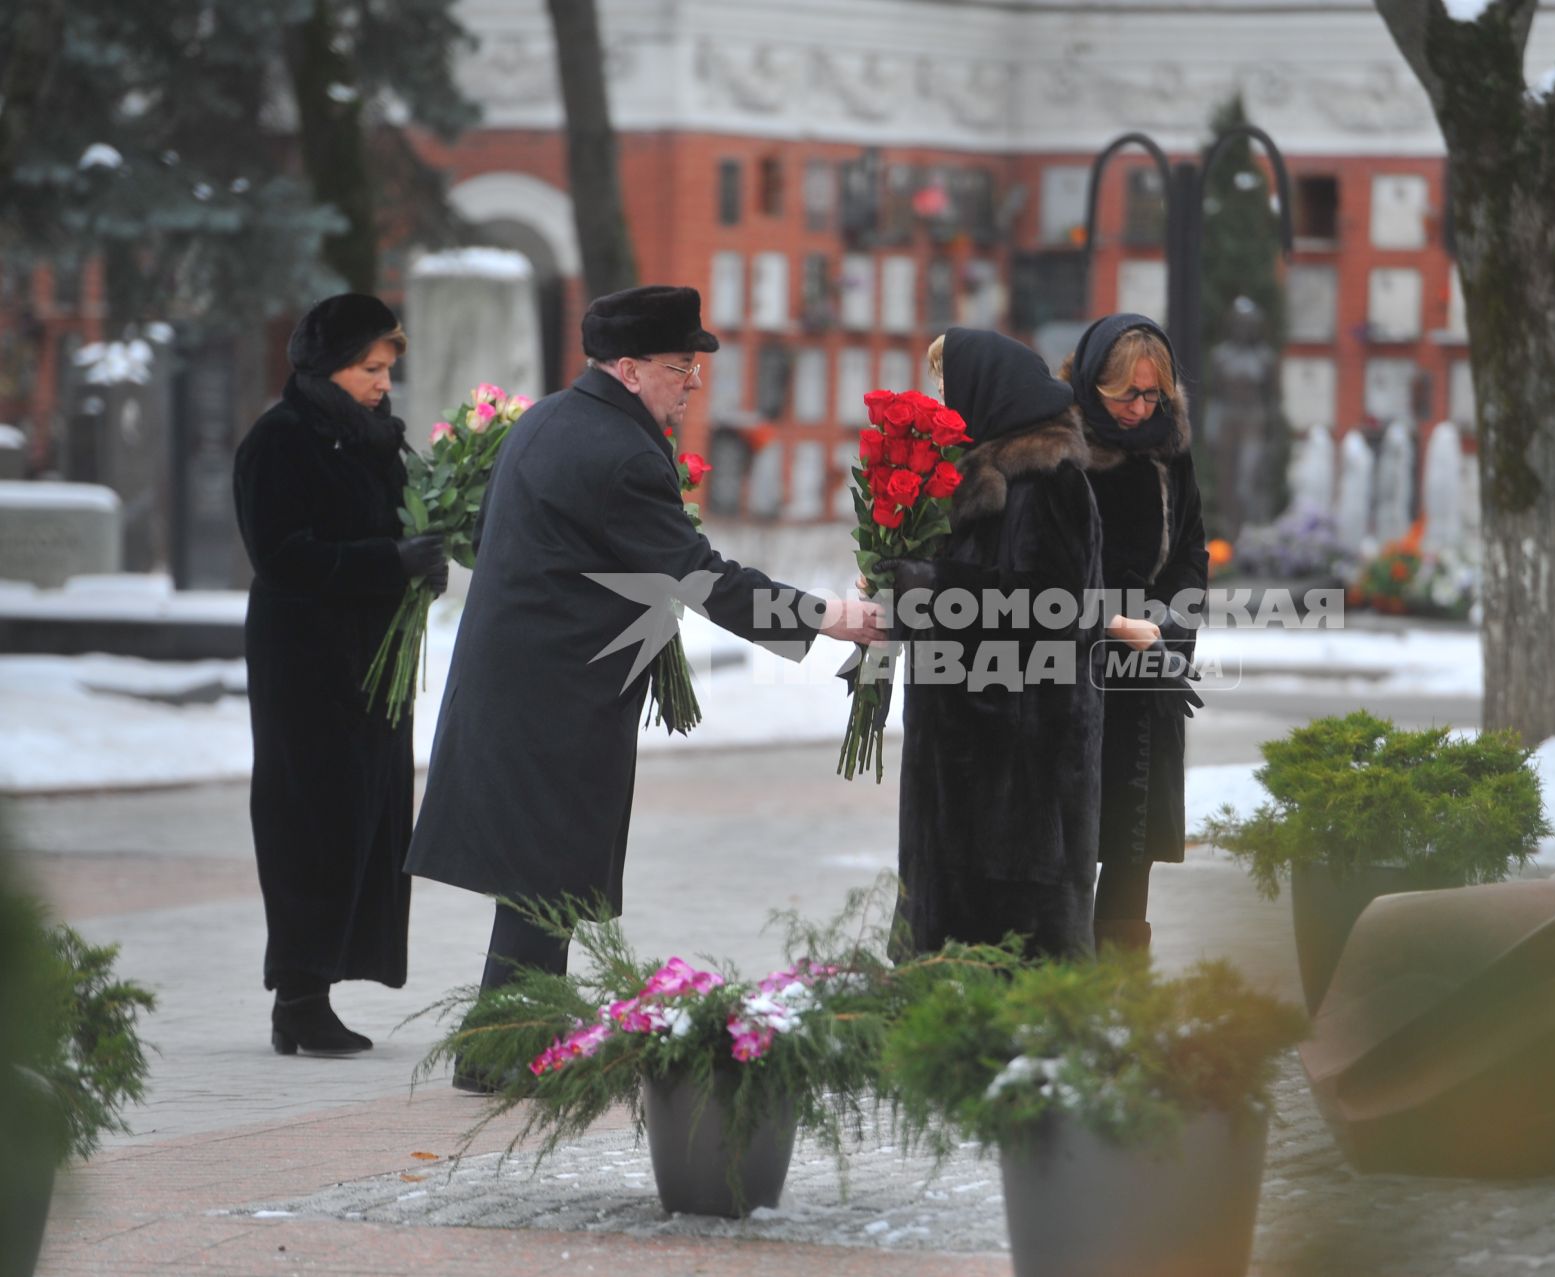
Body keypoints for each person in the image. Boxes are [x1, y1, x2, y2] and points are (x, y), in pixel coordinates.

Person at [405, 286, 884, 1086]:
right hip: (557, 695)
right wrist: (827, 615)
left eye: (694, 365)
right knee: (541, 876)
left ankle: (504, 1043)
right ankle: (497, 1053)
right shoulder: (620, 452)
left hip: (516, 682)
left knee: (537, 878)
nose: (692, 382)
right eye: (679, 365)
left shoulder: (550, 419)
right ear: (628, 369)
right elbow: (699, 577)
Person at [233, 293, 449, 1056]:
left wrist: (424, 559)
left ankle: (328, 975)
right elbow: (282, 556)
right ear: (328, 365)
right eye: (370, 368)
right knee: (309, 815)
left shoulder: (375, 440)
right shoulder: (280, 440)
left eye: (387, 368)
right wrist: (387, 562)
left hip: (371, 660)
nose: (384, 382)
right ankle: (299, 995)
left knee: (368, 813)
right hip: (306, 662)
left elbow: (399, 527)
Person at [888, 328, 1105, 959]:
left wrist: (928, 584)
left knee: (1012, 951)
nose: (937, 398)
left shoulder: (1049, 481)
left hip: (1019, 768)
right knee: (947, 938)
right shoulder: (972, 475)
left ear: (984, 390)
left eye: (945, 384)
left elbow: (1056, 608)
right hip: (962, 757)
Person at [1063, 314, 1208, 953]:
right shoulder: (1057, 447)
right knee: (1068, 838)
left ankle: (1121, 996)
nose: (1140, 408)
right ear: (1092, 382)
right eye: (1126, 394)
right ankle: (1060, 981)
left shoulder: (1169, 454)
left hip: (1147, 669)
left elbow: (1191, 558)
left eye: (1153, 395)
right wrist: (1103, 619)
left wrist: (1169, 629)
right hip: (1070, 665)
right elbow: (1045, 561)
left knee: (1130, 846)